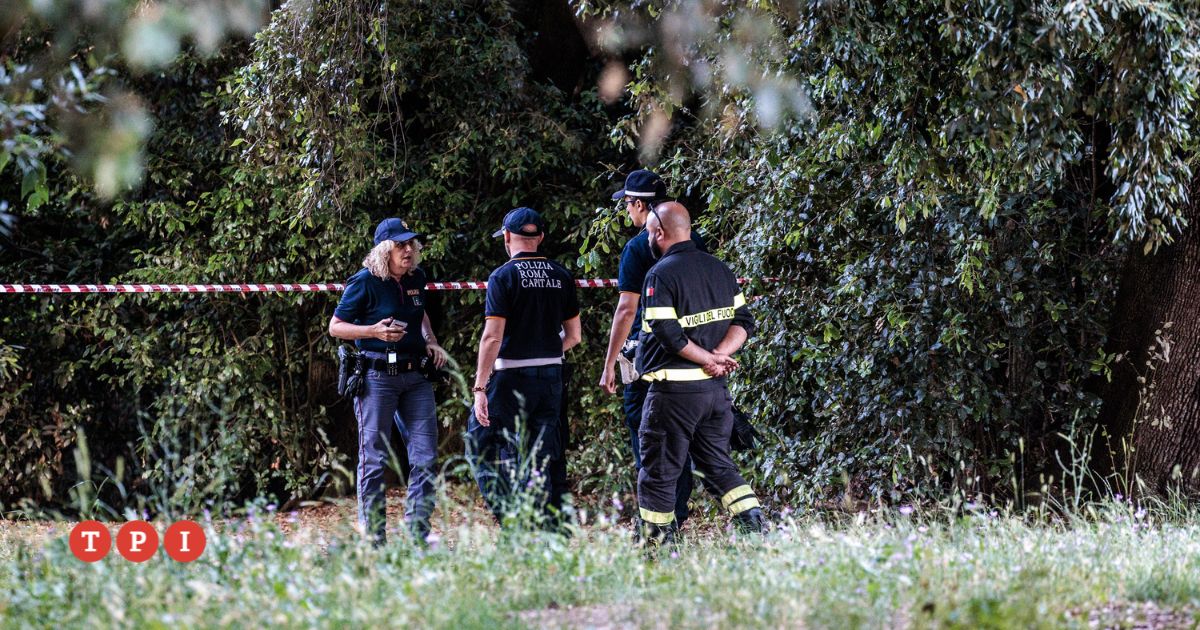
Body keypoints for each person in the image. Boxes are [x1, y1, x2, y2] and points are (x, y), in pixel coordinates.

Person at [634, 201, 766, 543]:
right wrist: (719, 356)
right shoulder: (719, 268)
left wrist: (709, 357)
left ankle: (656, 544)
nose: (647, 239)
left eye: (648, 233)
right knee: (718, 467)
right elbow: (743, 322)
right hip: (715, 394)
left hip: (673, 394)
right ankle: (755, 529)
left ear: (658, 233)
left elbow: (667, 333)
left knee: (659, 472)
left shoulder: (660, 274)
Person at [328, 217, 450, 545]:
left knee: (426, 457)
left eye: (411, 244)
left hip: (416, 376)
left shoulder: (416, 277)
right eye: (400, 245)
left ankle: (417, 535)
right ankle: (373, 539)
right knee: (374, 458)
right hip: (376, 377)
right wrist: (373, 331)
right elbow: (336, 326)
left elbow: (420, 312)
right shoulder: (365, 281)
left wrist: (431, 340)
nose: (408, 250)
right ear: (385, 250)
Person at [599, 169, 707, 526]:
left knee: (646, 439)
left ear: (639, 204)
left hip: (646, 358)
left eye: (628, 204)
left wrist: (609, 362)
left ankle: (656, 523)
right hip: (690, 354)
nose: (627, 211)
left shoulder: (636, 248)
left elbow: (626, 309)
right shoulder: (694, 241)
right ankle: (677, 514)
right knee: (680, 438)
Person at [466, 207, 582, 527]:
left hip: (510, 376)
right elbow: (574, 336)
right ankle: (542, 527)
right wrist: (545, 351)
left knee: (480, 444)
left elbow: (492, 337)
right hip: (552, 377)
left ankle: (511, 519)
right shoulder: (561, 275)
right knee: (540, 456)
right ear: (540, 237)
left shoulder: (502, 277)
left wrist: (480, 387)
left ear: (506, 237)